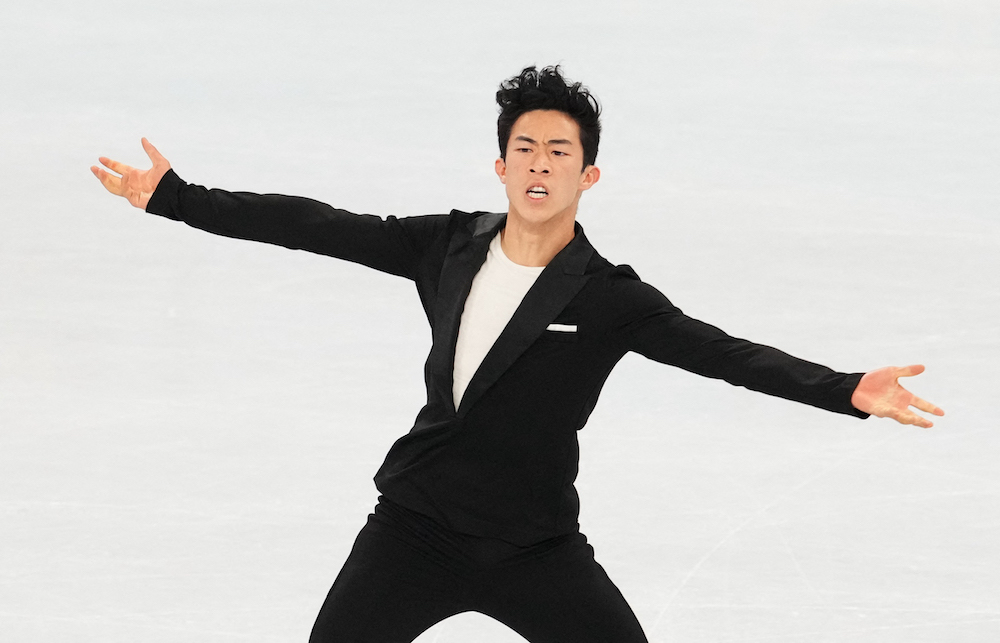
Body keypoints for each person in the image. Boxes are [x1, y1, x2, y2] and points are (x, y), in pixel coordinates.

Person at [91, 65, 943, 643]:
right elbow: (317, 227)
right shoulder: (448, 246)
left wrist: (846, 390)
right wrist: (175, 198)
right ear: (500, 165)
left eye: (559, 152)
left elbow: (720, 353)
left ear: (589, 176)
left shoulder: (610, 296)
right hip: (413, 529)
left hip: (535, 546)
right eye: (526, 149)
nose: (540, 164)